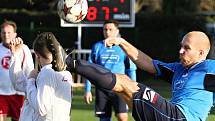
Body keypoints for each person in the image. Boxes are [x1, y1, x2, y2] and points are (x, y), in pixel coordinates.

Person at [66, 31, 215, 121]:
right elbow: (148, 63)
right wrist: (121, 42)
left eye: (186, 48)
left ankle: (67, 63)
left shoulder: (208, 67)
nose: (181, 51)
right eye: (181, 46)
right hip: (170, 115)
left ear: (201, 53)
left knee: (126, 84)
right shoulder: (178, 69)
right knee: (122, 85)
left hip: (180, 117)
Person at [9, 32, 73, 121]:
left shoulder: (47, 72)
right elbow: (20, 84)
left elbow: (41, 108)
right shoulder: (66, 73)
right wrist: (15, 55)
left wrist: (31, 80)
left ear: (37, 56)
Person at [84, 20, 137, 121]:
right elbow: (89, 70)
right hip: (102, 88)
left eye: (110, 29)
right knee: (104, 119)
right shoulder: (97, 47)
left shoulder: (123, 47)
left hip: (120, 88)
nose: (107, 32)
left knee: (122, 117)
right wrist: (88, 90)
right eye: (105, 29)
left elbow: (131, 69)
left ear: (117, 31)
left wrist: (133, 89)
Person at [0, 20, 34, 121]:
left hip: (18, 94)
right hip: (1, 93)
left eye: (9, 32)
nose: (6, 35)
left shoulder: (23, 49)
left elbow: (29, 70)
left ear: (15, 34)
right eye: (3, 32)